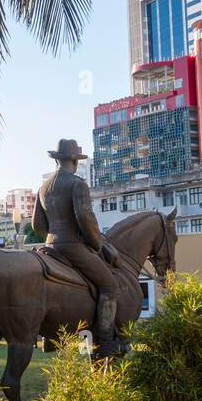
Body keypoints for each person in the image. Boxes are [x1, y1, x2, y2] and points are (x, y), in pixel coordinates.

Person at [32, 139, 120, 355]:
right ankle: (106, 341)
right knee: (109, 285)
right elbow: (85, 216)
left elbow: (37, 224)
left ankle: (50, 338)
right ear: (74, 160)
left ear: (57, 160)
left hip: (50, 246)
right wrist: (97, 243)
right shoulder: (77, 183)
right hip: (72, 247)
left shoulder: (43, 188)